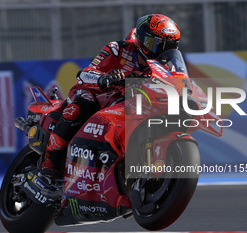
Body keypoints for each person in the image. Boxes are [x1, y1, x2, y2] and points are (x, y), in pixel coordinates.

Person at [40, 14, 181, 179]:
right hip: (98, 94)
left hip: (128, 102)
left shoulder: (167, 66)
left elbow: (175, 84)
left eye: (168, 46)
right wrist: (104, 78)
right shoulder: (118, 49)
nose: (161, 51)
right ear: (143, 39)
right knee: (82, 105)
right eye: (156, 45)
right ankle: (49, 159)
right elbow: (84, 74)